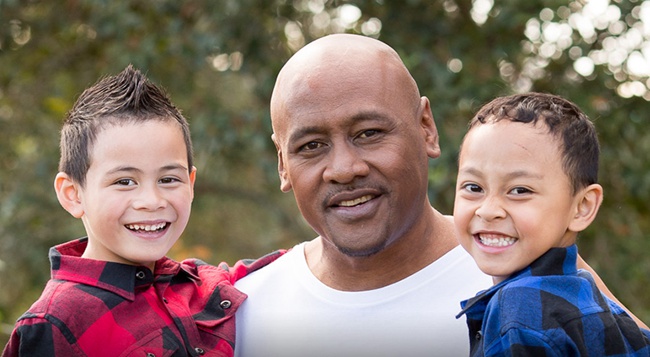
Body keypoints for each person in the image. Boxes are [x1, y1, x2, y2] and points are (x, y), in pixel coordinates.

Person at [234, 33, 648, 357]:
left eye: (370, 133)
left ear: (426, 128)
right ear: (282, 163)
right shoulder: (238, 310)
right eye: (311, 146)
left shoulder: (533, 276)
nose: (344, 168)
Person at [2, 65, 281, 357]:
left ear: (191, 183)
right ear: (73, 195)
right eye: (124, 181)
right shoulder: (55, 324)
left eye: (168, 179)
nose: (151, 200)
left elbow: (300, 266)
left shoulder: (200, 286)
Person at [454, 92, 650, 356]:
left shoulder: (520, 310)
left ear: (582, 207)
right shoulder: (595, 303)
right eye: (474, 187)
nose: (488, 211)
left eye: (520, 190)